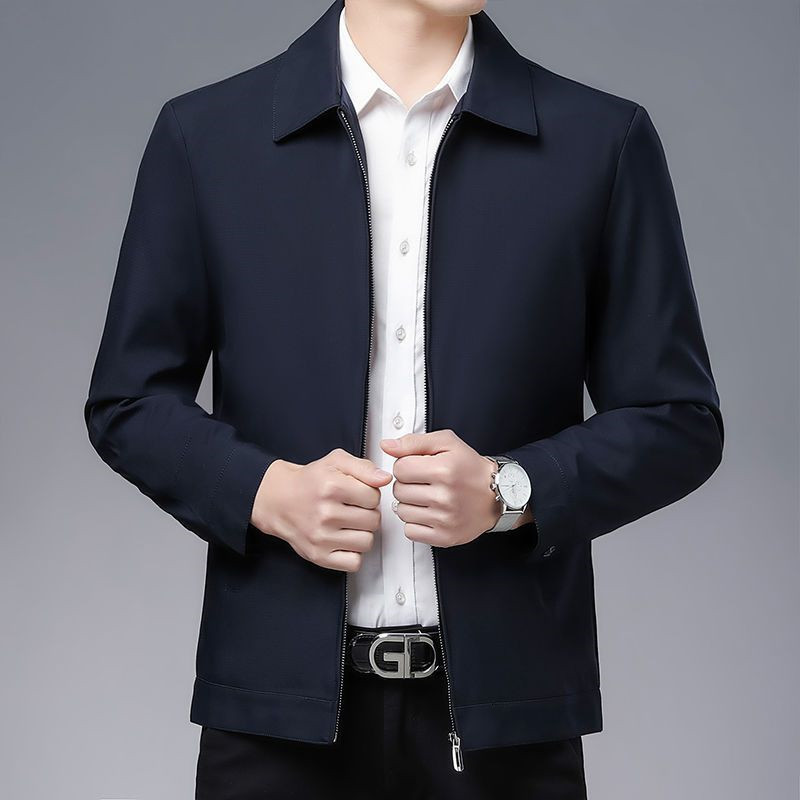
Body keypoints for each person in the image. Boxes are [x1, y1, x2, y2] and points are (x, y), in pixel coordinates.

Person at [84, 0, 724, 797]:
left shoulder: (600, 141)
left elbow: (678, 419)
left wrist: (508, 491)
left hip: (504, 732)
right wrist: (266, 493)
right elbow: (128, 399)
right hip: (274, 728)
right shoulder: (207, 136)